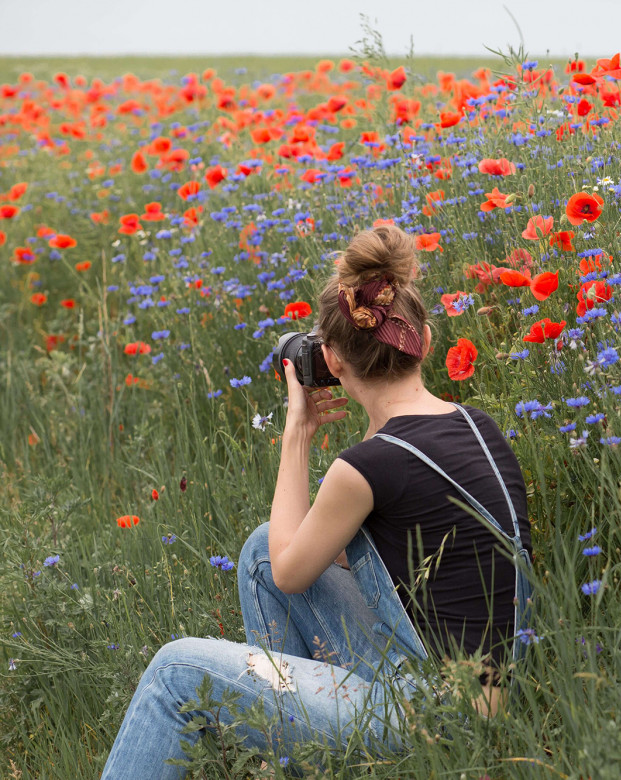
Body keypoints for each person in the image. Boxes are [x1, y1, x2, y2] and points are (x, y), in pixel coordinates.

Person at [102, 224, 533, 778]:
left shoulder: (367, 467)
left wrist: (297, 433)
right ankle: (307, 756)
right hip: (491, 694)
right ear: (425, 340)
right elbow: (293, 556)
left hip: (430, 714)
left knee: (173, 671)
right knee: (261, 546)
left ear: (330, 361)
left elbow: (289, 574)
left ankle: (302, 747)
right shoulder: (480, 426)